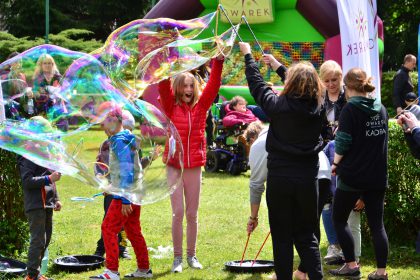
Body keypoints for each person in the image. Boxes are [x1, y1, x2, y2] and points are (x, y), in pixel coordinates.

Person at [240, 42, 324, 280]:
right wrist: (278, 66)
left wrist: (248, 56)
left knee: (282, 235)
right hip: (308, 179)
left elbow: (257, 86)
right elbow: (304, 83)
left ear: (290, 83)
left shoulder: (278, 106)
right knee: (307, 235)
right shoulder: (319, 105)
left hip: (280, 179)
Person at [158, 54, 224, 273]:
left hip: (194, 166)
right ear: (177, 88)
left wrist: (219, 62)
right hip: (174, 166)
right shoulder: (170, 106)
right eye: (184, 85)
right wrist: (165, 56)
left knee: (192, 214)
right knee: (177, 212)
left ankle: (191, 256)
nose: (188, 89)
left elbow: (213, 85)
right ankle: (177, 258)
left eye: (191, 85)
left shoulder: (201, 107)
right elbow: (162, 83)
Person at [244, 122, 330, 280]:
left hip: (295, 180)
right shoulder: (290, 127)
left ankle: (284, 273)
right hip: (323, 174)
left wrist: (253, 217)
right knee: (308, 231)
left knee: (284, 235)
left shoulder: (259, 144)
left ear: (252, 137)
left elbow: (256, 185)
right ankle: (302, 272)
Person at [329, 68, 389, 280]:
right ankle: (381, 272)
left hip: (353, 175)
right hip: (377, 176)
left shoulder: (350, 109)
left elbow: (343, 142)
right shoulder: (380, 108)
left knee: (338, 218)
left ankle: (352, 265)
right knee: (377, 225)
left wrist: (335, 164)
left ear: (349, 87)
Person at [90, 107, 152, 280]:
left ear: (116, 120)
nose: (103, 125)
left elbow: (126, 170)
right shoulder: (127, 137)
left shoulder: (118, 140)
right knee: (133, 230)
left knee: (108, 228)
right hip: (135, 193)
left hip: (125, 194)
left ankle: (111, 271)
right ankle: (144, 269)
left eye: (106, 121)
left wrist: (124, 198)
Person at [18, 117, 62, 280]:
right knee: (38, 240)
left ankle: (36, 273)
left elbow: (50, 179)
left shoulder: (44, 154)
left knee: (45, 239)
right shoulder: (28, 156)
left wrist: (56, 198)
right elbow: (27, 181)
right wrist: (49, 179)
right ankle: (31, 276)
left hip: (47, 203)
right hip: (36, 204)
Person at [319, 60, 347, 144]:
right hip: (324, 147)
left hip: (345, 145)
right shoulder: (319, 96)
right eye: (327, 81)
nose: (331, 84)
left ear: (340, 77)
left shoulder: (349, 94)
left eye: (334, 80)